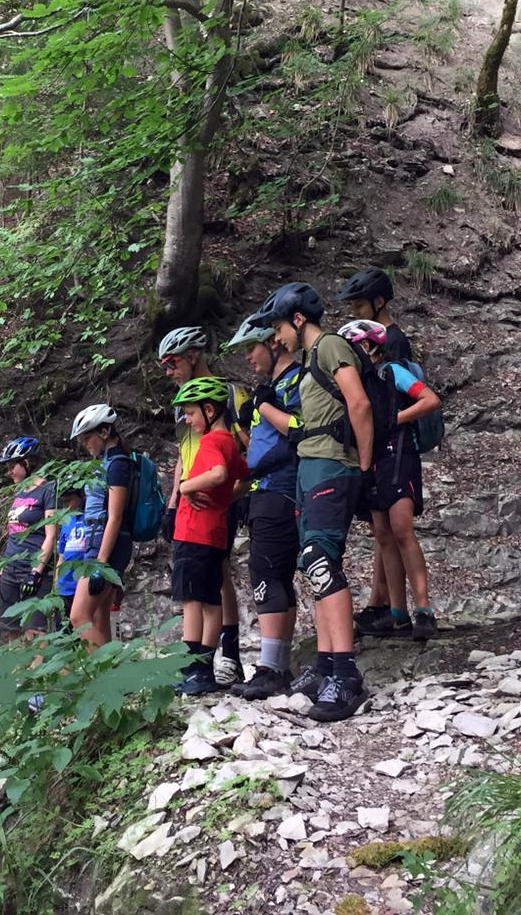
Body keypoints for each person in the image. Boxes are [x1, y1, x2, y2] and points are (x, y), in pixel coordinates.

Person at [248, 282, 373, 722]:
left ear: (298, 320)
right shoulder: (307, 362)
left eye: (278, 328)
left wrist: (365, 465)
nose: (275, 338)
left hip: (332, 467)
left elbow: (358, 404)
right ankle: (324, 666)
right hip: (309, 467)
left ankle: (346, 674)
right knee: (311, 564)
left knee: (321, 562)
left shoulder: (330, 346)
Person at [338, 319, 442, 641]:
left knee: (401, 529)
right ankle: (397, 612)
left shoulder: (392, 372)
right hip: (373, 462)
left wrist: (393, 419)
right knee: (382, 535)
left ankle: (423, 609)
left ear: (368, 346)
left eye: (353, 349)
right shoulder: (356, 382)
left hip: (400, 455)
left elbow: (429, 400)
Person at [158, 327, 251, 686]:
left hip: (219, 494)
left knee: (218, 574)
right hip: (190, 500)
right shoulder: (184, 405)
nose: (168, 371)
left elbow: (248, 442)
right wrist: (173, 500)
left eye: (172, 362)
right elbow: (184, 454)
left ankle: (227, 652)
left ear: (192, 355)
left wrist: (232, 490)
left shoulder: (228, 393)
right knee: (212, 575)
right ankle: (213, 656)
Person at [224, 316, 302, 699]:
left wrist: (258, 466)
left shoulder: (293, 382)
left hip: (278, 488)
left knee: (266, 571)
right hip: (268, 489)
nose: (248, 358)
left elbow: (298, 431)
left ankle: (271, 668)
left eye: (251, 349)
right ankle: (279, 664)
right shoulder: (272, 386)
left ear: (274, 343)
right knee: (278, 574)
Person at [336, 267, 414, 631]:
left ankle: (384, 602)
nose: (355, 313)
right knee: (381, 528)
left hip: (392, 447)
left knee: (389, 528)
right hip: (384, 444)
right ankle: (379, 599)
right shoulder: (383, 338)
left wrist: (390, 425)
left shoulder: (392, 342)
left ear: (379, 303)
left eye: (359, 305)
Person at [68, 403, 135, 646]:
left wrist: (101, 563)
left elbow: (115, 516)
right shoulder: (105, 463)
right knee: (98, 616)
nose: (85, 445)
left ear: (104, 433)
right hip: (96, 544)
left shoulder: (117, 464)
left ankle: (103, 673)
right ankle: (108, 677)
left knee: (78, 617)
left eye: (87, 438)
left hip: (106, 548)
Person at [0, 436, 59, 638]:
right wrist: (4, 565)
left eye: (12, 465)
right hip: (11, 569)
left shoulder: (48, 490)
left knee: (36, 630)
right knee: (10, 628)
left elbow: (51, 535)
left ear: (27, 463)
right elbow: (14, 532)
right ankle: (16, 669)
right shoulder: (20, 493)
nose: (9, 471)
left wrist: (36, 571)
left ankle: (39, 669)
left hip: (33, 569)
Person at [54, 487, 91, 628]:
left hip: (82, 584)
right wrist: (56, 585)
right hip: (64, 586)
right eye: (64, 502)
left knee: (83, 628)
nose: (67, 506)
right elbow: (61, 556)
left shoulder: (90, 517)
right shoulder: (67, 522)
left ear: (81, 497)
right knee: (63, 631)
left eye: (70, 501)